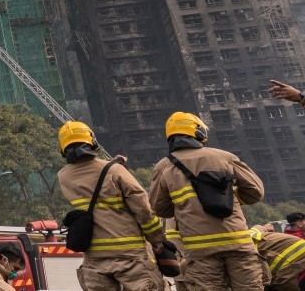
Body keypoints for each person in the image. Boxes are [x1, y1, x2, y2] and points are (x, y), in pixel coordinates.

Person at [149, 112, 265, 290]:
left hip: (200, 249)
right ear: (199, 132)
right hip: (238, 243)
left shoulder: (164, 166)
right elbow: (255, 192)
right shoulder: (224, 157)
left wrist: (186, 208)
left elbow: (159, 208)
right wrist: (230, 200)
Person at [55, 121, 165, 290]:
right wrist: (157, 239)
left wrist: (111, 165)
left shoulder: (63, 177)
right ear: (92, 141)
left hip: (94, 258)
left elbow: (91, 180)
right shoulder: (114, 171)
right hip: (130, 254)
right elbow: (142, 208)